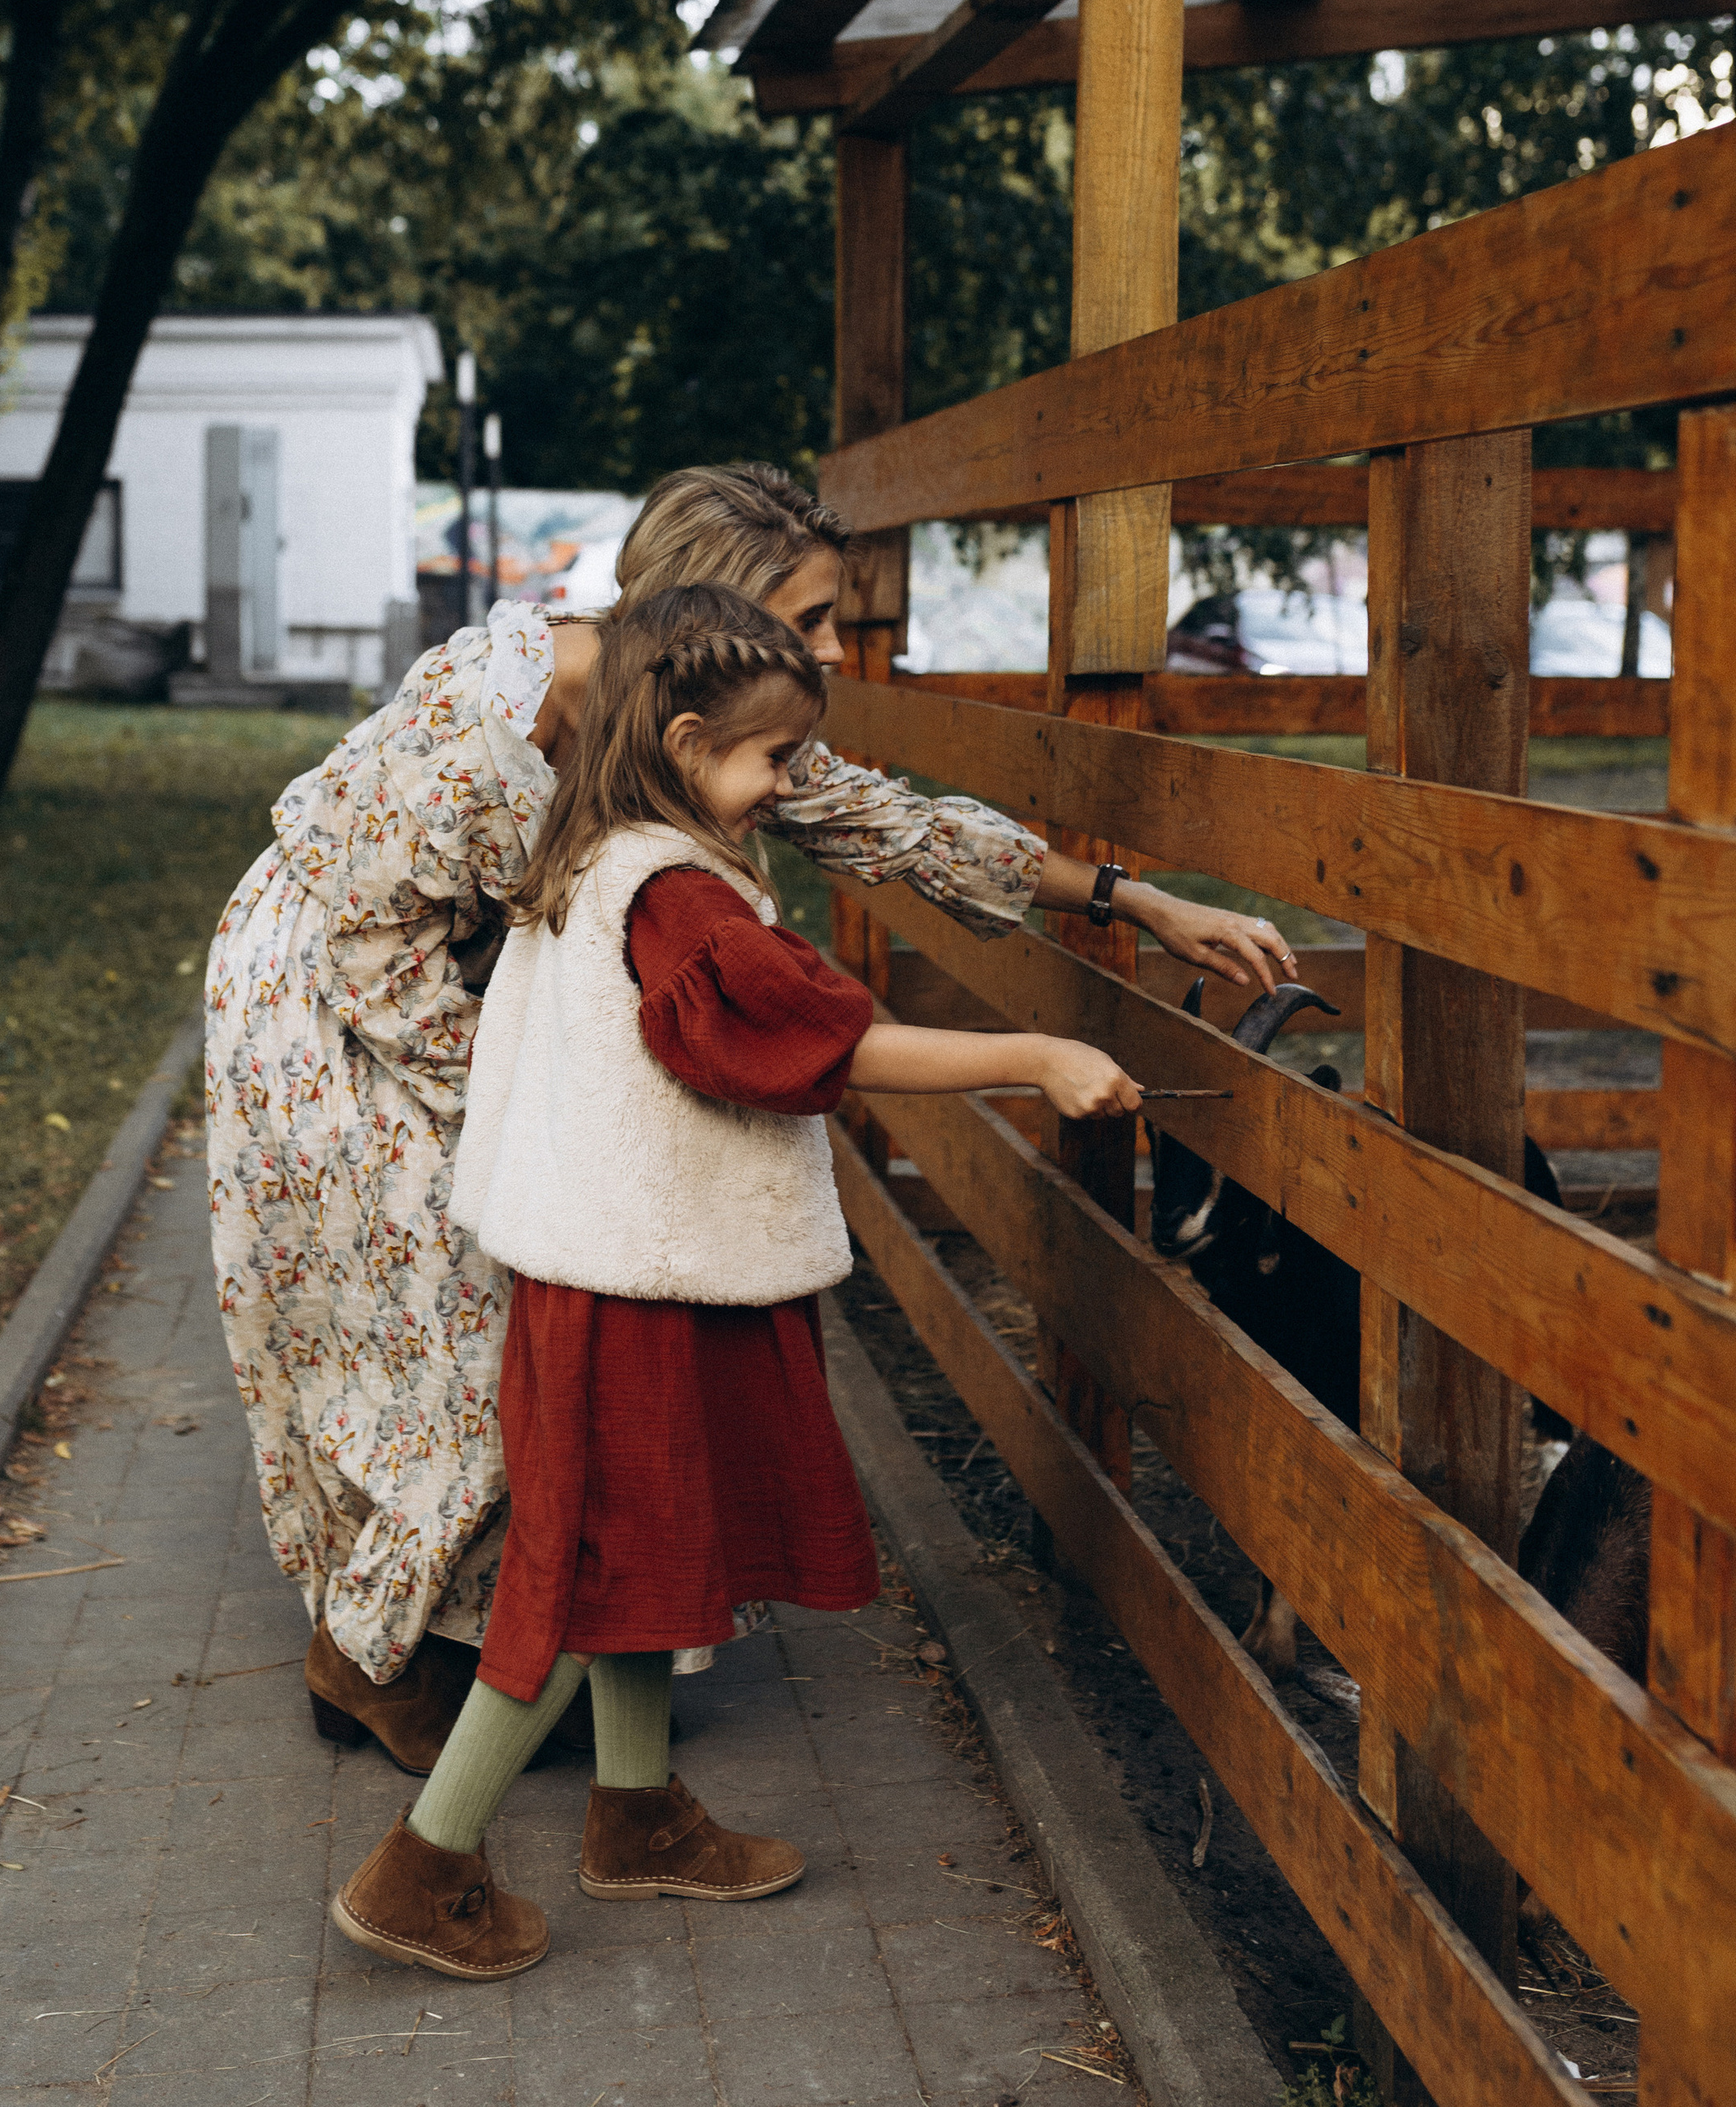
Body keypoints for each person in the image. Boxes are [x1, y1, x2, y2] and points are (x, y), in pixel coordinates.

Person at [205, 462, 1293, 1776]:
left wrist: (1135, 898)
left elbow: (899, 828)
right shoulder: (524, 701)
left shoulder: (700, 715)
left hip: (456, 997)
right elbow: (364, 931)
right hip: (328, 999)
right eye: (818, 613)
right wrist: (526, 1093)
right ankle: (382, 1664)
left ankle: (474, 1656)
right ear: (712, 602)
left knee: (506, 1323)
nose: (838, 646)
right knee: (464, 1327)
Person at [331, 585, 1147, 1980]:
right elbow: (819, 1038)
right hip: (628, 1292)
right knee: (586, 1578)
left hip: (622, 1275)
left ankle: (638, 1816)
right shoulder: (675, 894)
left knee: (644, 1547)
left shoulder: (598, 849)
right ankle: (427, 1867)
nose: (787, 787)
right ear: (691, 736)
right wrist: (1036, 1054)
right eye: (773, 760)